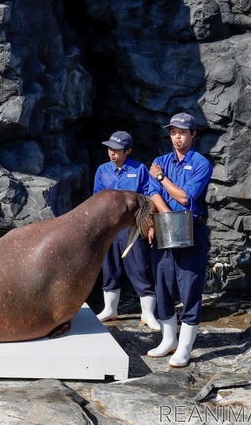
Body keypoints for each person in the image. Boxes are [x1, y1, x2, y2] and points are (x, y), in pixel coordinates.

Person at [146, 112, 213, 367]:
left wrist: (162, 177)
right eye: (173, 132)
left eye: (182, 132)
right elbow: (152, 192)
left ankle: (185, 347)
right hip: (165, 227)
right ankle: (168, 339)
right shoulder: (161, 159)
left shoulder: (201, 164)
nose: (177, 137)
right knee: (162, 283)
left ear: (193, 134)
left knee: (189, 286)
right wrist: (167, 217)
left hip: (193, 230)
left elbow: (186, 197)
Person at [93, 131, 160, 331]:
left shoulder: (139, 169)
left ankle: (147, 313)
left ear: (128, 151)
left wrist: (149, 226)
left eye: (117, 150)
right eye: (110, 149)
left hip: (132, 228)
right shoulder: (102, 170)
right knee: (109, 267)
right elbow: (97, 198)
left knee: (139, 268)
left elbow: (149, 199)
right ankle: (110, 309)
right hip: (109, 227)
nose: (112, 153)